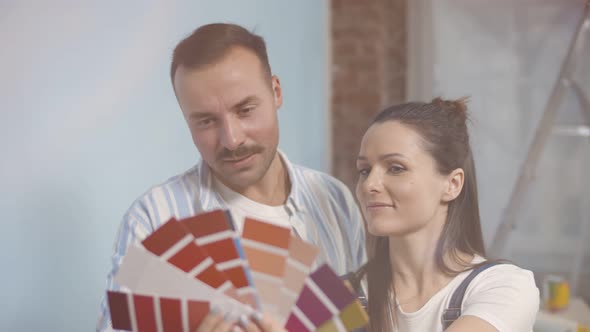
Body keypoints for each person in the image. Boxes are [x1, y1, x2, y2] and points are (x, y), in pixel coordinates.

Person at [96, 23, 365, 331]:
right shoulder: (153, 220)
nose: (231, 139)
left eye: (245, 110)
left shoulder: (335, 200)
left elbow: (359, 323)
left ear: (276, 92)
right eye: (206, 121)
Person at [352, 98, 539, 331]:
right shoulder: (334, 293)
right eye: (364, 170)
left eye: (396, 168)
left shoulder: (503, 286)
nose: (370, 184)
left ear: (452, 184)